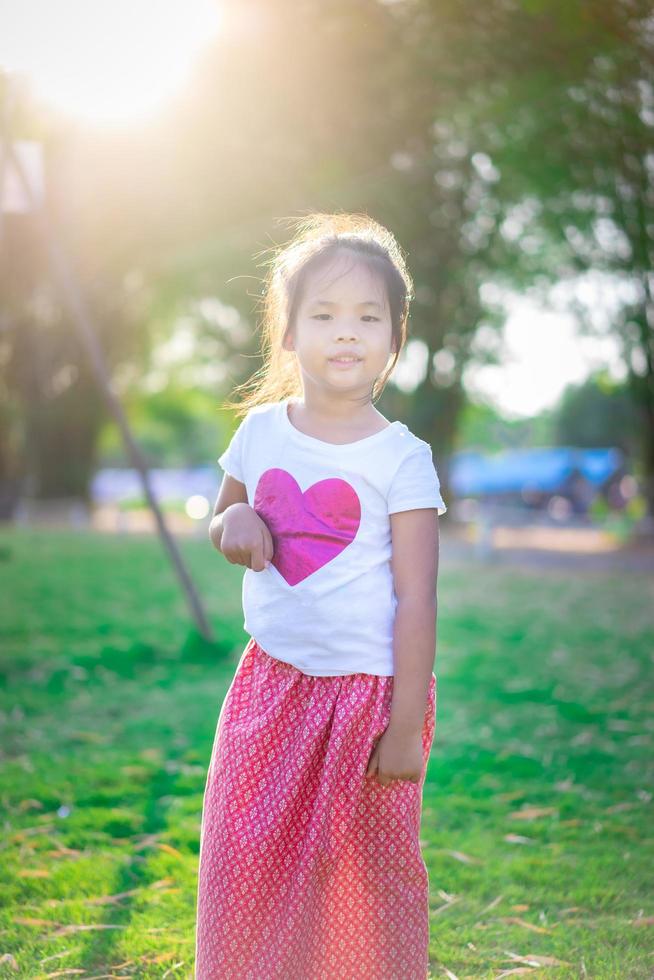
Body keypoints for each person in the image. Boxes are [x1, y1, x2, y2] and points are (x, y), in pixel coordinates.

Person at [194, 212, 447, 980]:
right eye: (325, 315)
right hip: (270, 689)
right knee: (247, 855)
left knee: (363, 882)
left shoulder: (403, 458)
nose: (347, 334)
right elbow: (221, 519)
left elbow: (418, 599)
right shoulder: (261, 432)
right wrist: (233, 519)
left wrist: (405, 730)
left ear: (396, 340)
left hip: (367, 701)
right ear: (288, 333)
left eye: (369, 317)